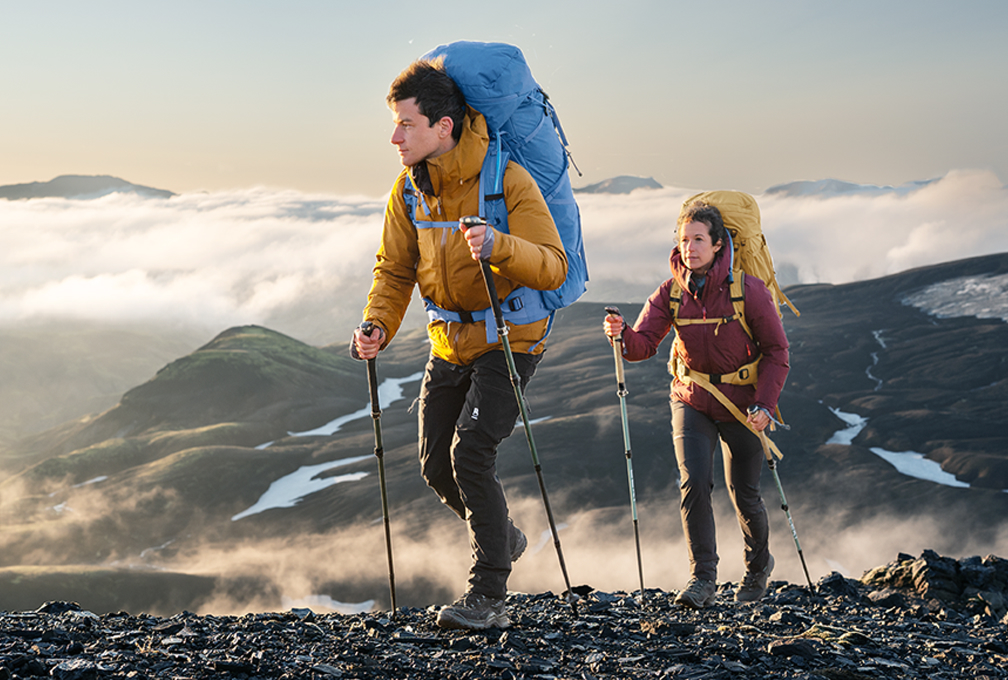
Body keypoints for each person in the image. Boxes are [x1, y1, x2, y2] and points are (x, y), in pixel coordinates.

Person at [351, 58, 567, 629]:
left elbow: (553, 266)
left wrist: (499, 246)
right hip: (448, 341)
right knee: (434, 466)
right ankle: (504, 536)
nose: (395, 138)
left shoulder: (506, 181)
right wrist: (377, 325)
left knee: (469, 454)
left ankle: (488, 596)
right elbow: (394, 270)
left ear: (443, 126)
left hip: (509, 338)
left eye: (406, 124)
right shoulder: (409, 190)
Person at [602, 200, 789, 608]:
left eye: (699, 239)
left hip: (743, 406)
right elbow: (642, 346)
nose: (689, 248)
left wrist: (765, 405)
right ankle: (702, 579)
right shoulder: (670, 292)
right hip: (692, 400)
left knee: (745, 493)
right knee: (694, 484)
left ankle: (758, 567)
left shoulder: (748, 291)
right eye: (684, 240)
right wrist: (621, 334)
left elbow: (777, 351)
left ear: (719, 244)